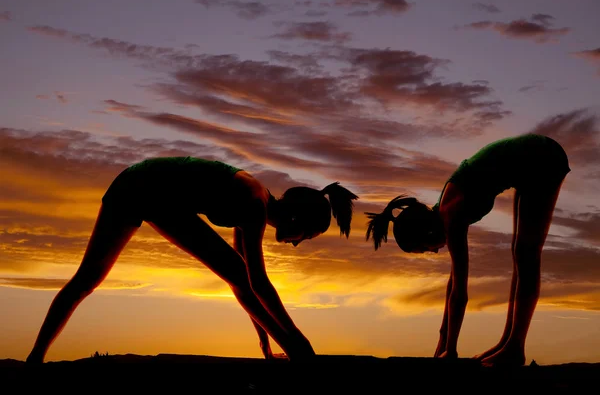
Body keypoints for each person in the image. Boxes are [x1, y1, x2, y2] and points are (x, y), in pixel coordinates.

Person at [26, 156, 358, 363]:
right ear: (297, 222)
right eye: (306, 238)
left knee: (234, 272)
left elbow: (243, 283)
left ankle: (35, 359)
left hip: (152, 190)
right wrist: (298, 341)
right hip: (141, 187)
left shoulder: (257, 202)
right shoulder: (254, 205)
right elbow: (256, 281)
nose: (298, 245)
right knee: (87, 279)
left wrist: (265, 342)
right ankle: (35, 359)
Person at [364, 133, 570, 367]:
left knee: (526, 253)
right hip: (527, 162)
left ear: (426, 232)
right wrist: (443, 340)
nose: (434, 252)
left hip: (541, 157)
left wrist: (451, 351)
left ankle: (515, 347)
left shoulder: (452, 215)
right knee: (519, 251)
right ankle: (507, 343)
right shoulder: (443, 208)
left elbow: (460, 293)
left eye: (425, 249)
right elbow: (452, 286)